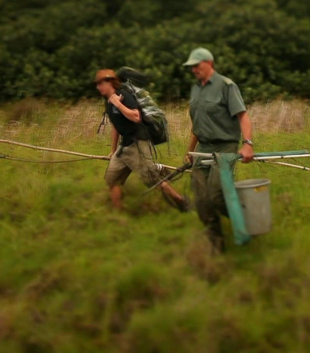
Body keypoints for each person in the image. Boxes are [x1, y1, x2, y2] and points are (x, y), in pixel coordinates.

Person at [182, 48, 254, 253]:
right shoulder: (195, 89)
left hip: (225, 146)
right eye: (191, 67)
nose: (194, 69)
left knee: (215, 194)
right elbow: (196, 125)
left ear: (209, 63)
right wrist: (190, 151)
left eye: (197, 65)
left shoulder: (226, 86)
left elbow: (243, 116)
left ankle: (246, 219)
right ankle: (216, 243)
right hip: (203, 147)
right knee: (201, 200)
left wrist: (247, 144)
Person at [95, 69, 190, 212]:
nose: (98, 87)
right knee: (112, 180)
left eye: (101, 83)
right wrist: (112, 151)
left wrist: (118, 104)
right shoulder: (108, 101)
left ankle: (181, 201)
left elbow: (136, 117)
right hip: (124, 147)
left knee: (153, 180)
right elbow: (116, 126)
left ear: (110, 82)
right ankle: (117, 214)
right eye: (97, 84)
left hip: (138, 144)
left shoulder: (124, 96)